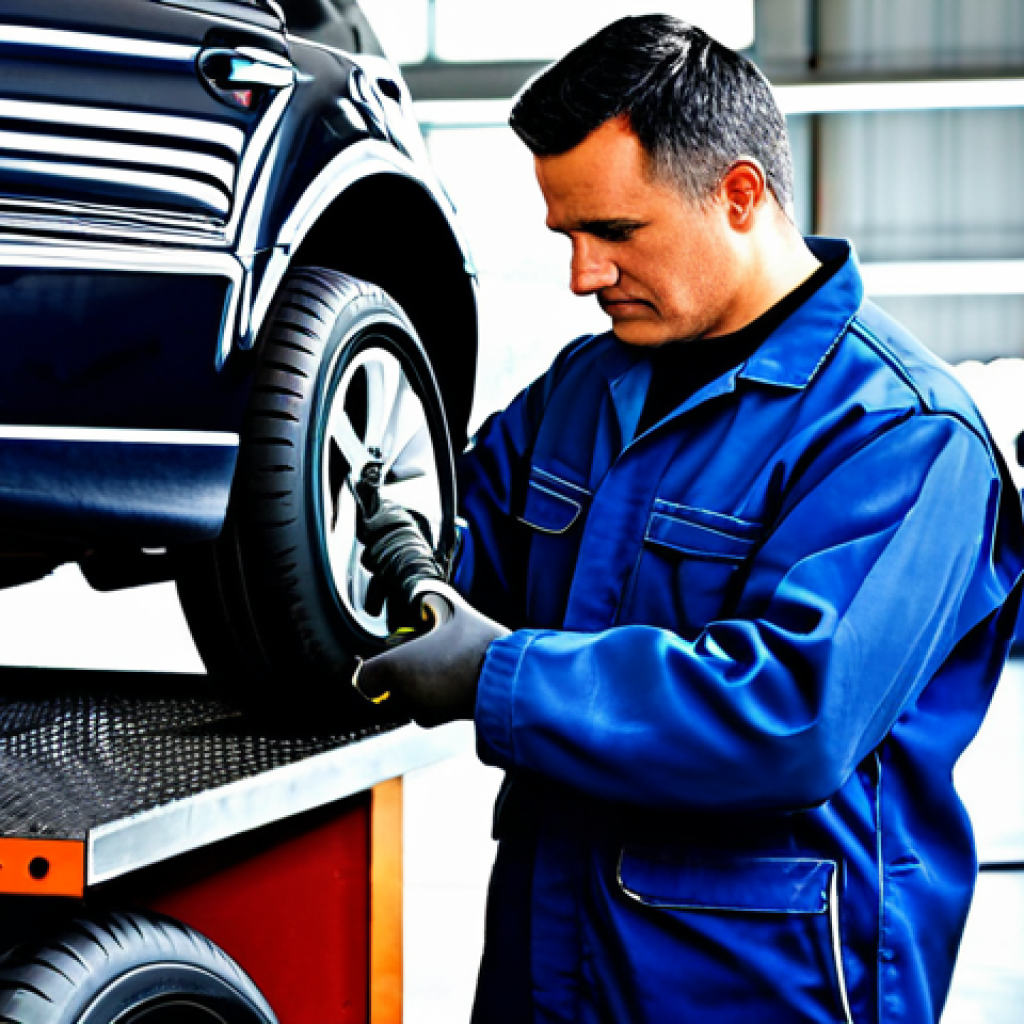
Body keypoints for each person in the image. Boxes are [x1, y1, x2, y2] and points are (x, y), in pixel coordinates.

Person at [354, 15, 1024, 1024]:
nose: (582, 274)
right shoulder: (584, 387)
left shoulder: (902, 436)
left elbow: (790, 714)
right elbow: (468, 542)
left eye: (614, 233)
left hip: (762, 984)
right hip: (547, 966)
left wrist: (498, 672)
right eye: (564, 235)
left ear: (740, 195)